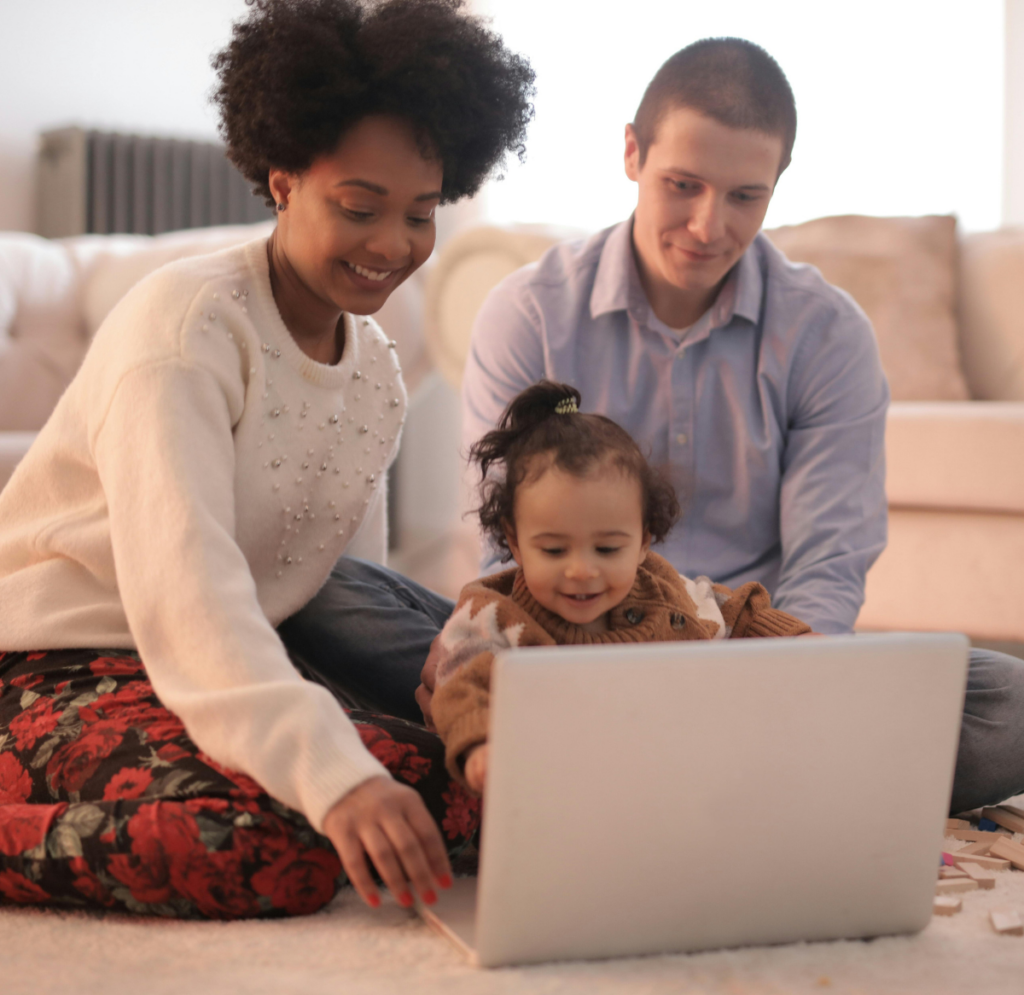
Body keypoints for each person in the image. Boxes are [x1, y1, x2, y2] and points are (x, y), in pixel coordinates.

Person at [289, 36, 1024, 816]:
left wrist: (774, 683)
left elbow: (829, 562)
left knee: (1007, 699)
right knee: (320, 592)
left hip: (744, 666)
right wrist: (536, 665)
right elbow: (507, 543)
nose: (708, 225)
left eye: (744, 197)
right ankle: (743, 780)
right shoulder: (529, 312)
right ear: (633, 154)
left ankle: (588, 764)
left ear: (777, 186)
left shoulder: (827, 333)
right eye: (683, 185)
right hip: (554, 644)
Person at [0, 0, 534, 918]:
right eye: (359, 208)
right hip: (60, 666)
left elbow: (328, 589)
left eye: (420, 214)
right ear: (283, 181)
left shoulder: (377, 371)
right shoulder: (186, 328)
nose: (393, 245)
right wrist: (334, 777)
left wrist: (411, 715)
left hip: (228, 661)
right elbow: (188, 593)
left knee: (479, 792)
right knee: (267, 842)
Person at [430, 381, 811, 794]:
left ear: (644, 541)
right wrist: (481, 744)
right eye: (554, 550)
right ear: (515, 542)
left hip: (672, 778)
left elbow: (731, 611)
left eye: (607, 549)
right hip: (556, 787)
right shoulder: (490, 614)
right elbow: (460, 686)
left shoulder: (661, 591)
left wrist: (798, 641)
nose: (581, 571)